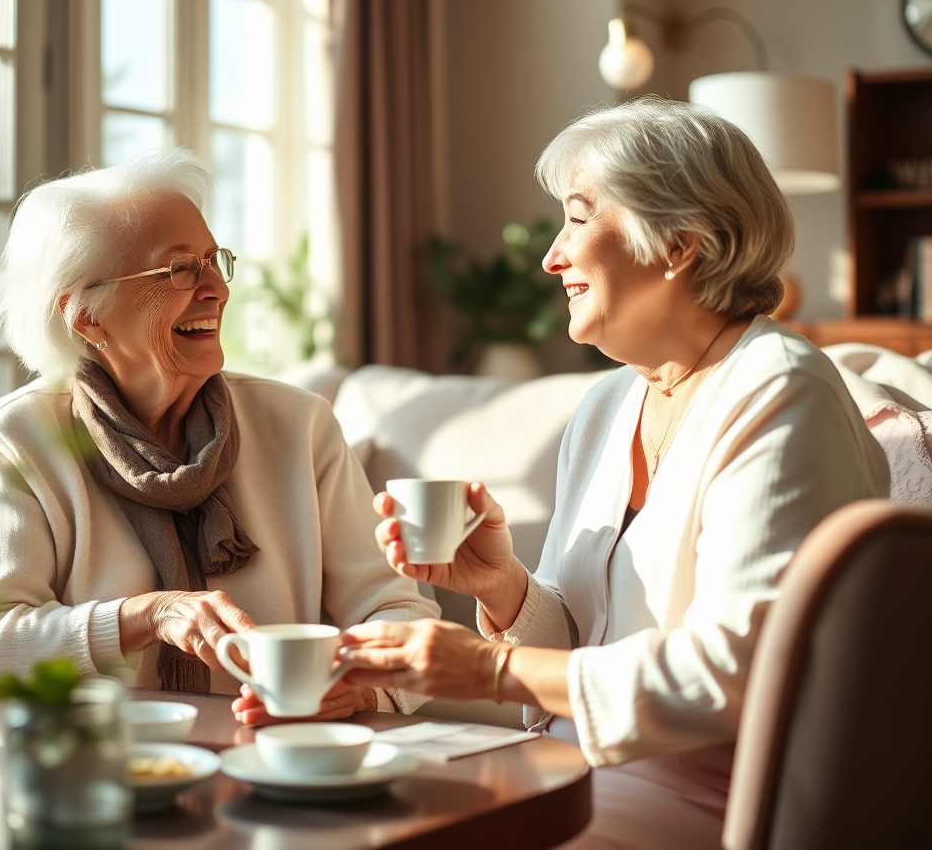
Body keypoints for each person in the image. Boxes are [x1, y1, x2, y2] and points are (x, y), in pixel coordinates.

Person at [339, 100, 890, 848]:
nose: (550, 257)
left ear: (678, 244)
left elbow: (733, 675)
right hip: (570, 770)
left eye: (577, 218)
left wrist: (492, 669)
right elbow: (587, 639)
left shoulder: (783, 392)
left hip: (714, 804)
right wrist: (506, 589)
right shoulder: (609, 403)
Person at [0, 148, 438, 721]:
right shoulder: (20, 438)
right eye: (177, 269)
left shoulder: (301, 426)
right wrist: (147, 616)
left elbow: (401, 612)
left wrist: (365, 688)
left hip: (276, 760)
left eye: (212, 260)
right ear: (85, 316)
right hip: (106, 765)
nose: (215, 289)